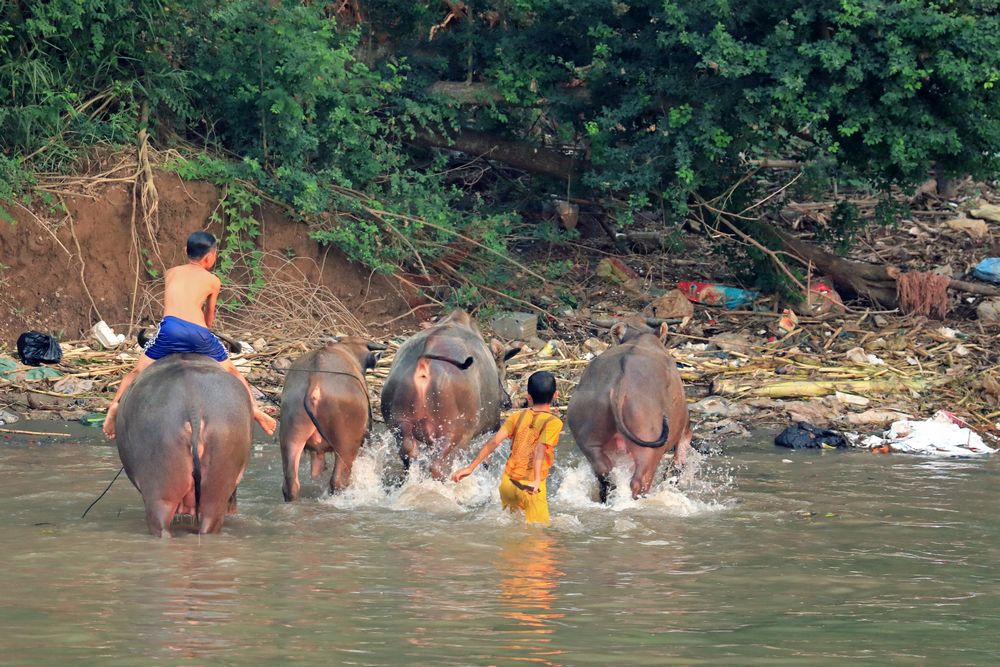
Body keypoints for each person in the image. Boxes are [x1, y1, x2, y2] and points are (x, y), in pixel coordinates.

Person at [103, 231, 277, 439]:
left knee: (136, 372)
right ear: (210, 257)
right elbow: (209, 317)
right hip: (199, 332)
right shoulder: (213, 280)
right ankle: (255, 411)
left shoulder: (171, 272)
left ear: (186, 251)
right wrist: (202, 332)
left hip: (170, 329)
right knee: (232, 371)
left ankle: (115, 407)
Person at [451, 371, 563, 524]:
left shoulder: (516, 417)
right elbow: (540, 449)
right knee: (541, 539)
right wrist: (536, 480)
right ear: (556, 395)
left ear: (528, 396)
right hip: (530, 486)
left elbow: (493, 442)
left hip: (508, 485)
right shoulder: (553, 422)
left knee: (513, 531)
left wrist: (470, 468)